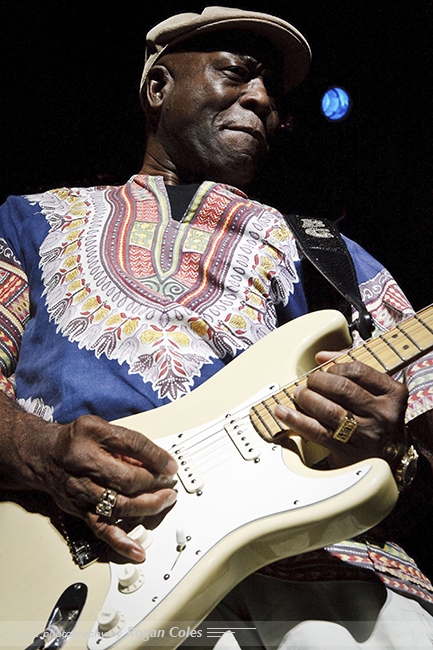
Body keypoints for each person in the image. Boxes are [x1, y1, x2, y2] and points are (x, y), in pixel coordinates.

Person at [0, 5, 433, 648]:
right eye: (237, 73)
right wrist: (37, 452)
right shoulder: (27, 220)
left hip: (315, 580)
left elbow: (421, 441)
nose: (262, 99)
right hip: (74, 575)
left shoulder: (327, 252)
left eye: (273, 93)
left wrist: (390, 450)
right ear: (157, 88)